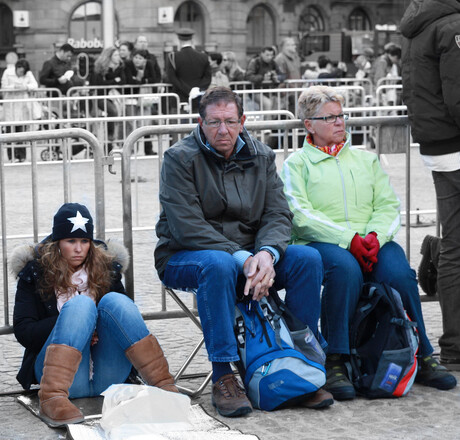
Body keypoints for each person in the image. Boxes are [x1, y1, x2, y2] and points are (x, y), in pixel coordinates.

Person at [155, 86, 332, 417]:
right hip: (185, 255)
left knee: (307, 259)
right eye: (214, 122)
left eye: (230, 122)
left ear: (243, 121)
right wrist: (244, 258)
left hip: (251, 256)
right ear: (200, 122)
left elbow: (277, 214)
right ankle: (224, 376)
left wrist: (267, 254)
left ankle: (301, 361)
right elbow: (186, 226)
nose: (223, 130)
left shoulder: (262, 156)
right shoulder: (179, 158)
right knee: (220, 265)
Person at [280, 85, 457, 401]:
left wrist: (375, 237)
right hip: (323, 242)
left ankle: (423, 352)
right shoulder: (296, 164)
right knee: (345, 269)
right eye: (330, 117)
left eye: (341, 115)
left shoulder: (366, 160)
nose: (340, 122)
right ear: (309, 124)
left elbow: (388, 205)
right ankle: (336, 358)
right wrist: (348, 240)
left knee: (400, 273)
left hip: (373, 239)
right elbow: (299, 214)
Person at [12, 203, 178, 427]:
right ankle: (52, 399)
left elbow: (123, 320)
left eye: (84, 241)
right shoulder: (35, 272)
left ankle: (163, 385)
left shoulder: (107, 269)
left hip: (108, 374)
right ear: (58, 242)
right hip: (63, 379)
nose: (79, 248)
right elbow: (24, 332)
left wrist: (95, 325)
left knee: (116, 301)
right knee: (81, 306)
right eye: (71, 241)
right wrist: (77, 325)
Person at [401, 0, 460, 371]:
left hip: (438, 145)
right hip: (455, 141)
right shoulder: (450, 24)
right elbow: (457, 94)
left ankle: (454, 348)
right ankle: (454, 344)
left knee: (455, 243)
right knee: (456, 246)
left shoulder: (417, 23)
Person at [124, 48, 163, 155]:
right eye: (135, 57)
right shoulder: (128, 65)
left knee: (146, 123)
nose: (137, 60)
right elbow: (129, 81)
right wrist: (139, 80)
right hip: (131, 97)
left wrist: (141, 80)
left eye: (140, 58)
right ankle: (131, 149)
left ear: (144, 60)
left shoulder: (149, 64)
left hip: (145, 98)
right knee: (131, 124)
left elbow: (154, 79)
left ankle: (148, 148)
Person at [1, 59, 39, 162]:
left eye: (23, 72)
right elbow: (3, 86)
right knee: (10, 132)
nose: (21, 73)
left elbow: (35, 85)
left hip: (22, 106)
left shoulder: (28, 74)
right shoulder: (7, 72)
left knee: (22, 131)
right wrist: (15, 87)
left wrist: (25, 87)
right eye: (20, 71)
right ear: (16, 68)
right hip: (10, 105)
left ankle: (22, 156)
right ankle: (11, 156)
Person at [165, 27, 212, 112]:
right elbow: (208, 78)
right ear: (192, 40)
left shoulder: (173, 57)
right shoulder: (203, 56)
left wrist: (188, 90)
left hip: (179, 99)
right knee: (198, 124)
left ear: (179, 40)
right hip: (198, 99)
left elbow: (172, 78)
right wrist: (197, 89)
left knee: (178, 124)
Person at [91, 46, 126, 152]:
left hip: (115, 97)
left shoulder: (120, 67)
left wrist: (112, 80)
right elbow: (100, 83)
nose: (118, 57)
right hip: (101, 97)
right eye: (115, 55)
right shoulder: (100, 68)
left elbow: (123, 81)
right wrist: (114, 80)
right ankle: (110, 137)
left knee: (117, 114)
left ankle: (111, 143)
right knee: (113, 111)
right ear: (109, 57)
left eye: (118, 55)